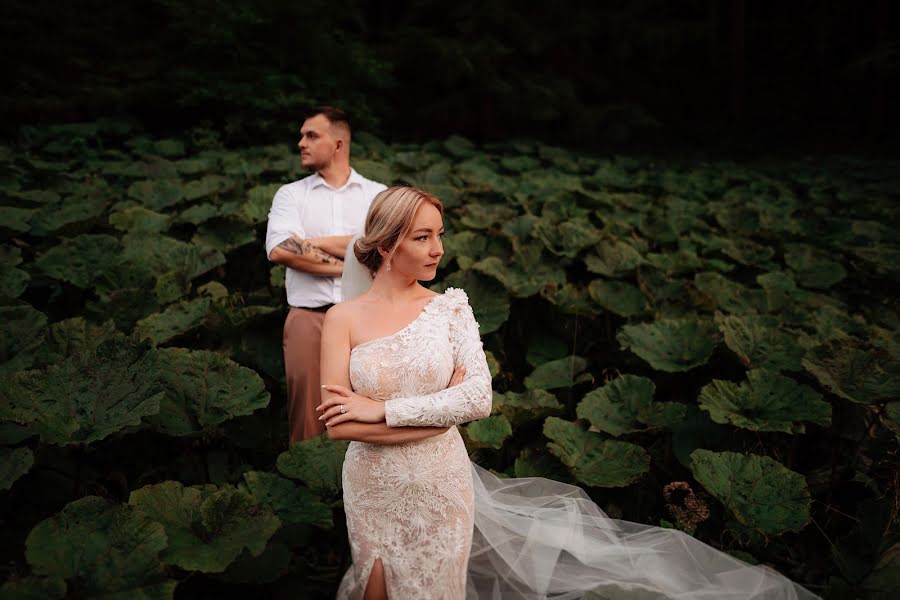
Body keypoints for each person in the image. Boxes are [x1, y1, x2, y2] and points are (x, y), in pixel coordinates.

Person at [317, 186, 822, 599]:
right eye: (423, 238)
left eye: (440, 235)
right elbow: (338, 425)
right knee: (372, 589)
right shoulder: (342, 319)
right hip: (372, 487)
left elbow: (476, 400)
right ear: (385, 245)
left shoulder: (451, 309)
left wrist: (380, 409)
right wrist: (436, 416)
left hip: (440, 482)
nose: (438, 250)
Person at [265, 106, 387, 445]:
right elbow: (281, 250)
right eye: (302, 135)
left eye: (311, 135)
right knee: (308, 419)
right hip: (310, 319)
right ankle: (310, 490)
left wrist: (311, 243)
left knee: (374, 408)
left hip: (369, 320)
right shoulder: (291, 194)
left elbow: (385, 249)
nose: (301, 143)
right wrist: (353, 256)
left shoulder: (377, 194)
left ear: (338, 143)